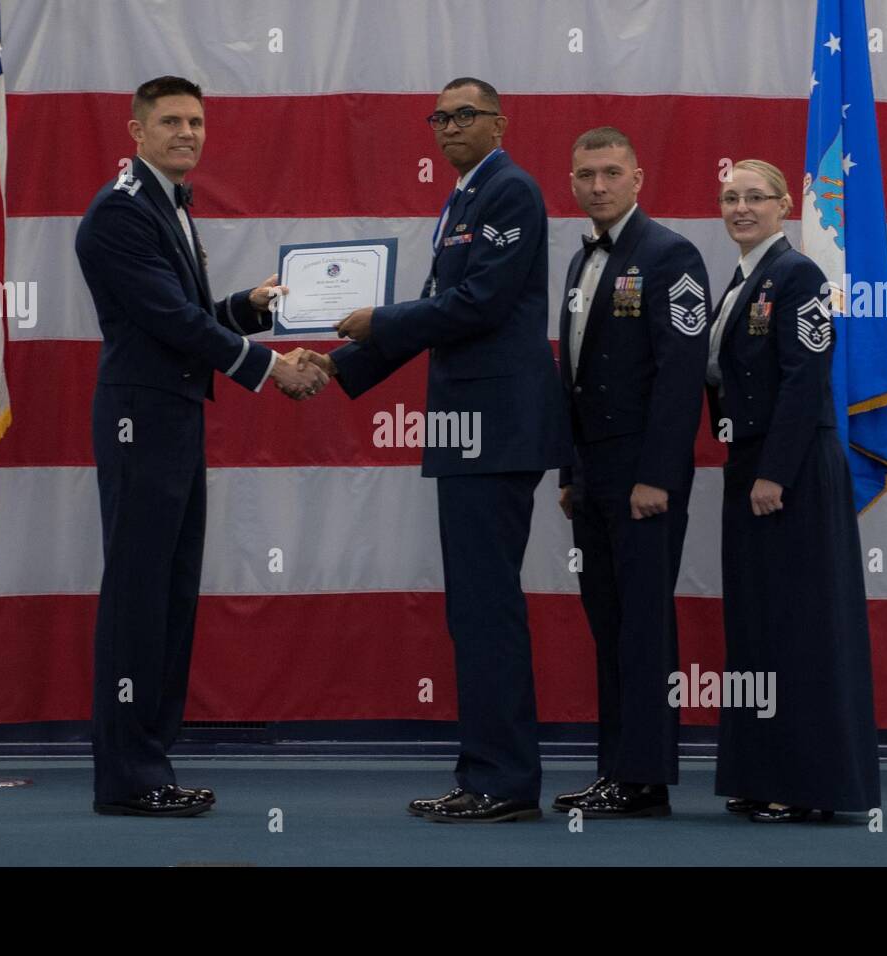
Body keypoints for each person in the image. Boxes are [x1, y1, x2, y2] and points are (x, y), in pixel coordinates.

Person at [303, 77, 572, 822]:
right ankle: (486, 772)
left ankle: (504, 782)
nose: (449, 126)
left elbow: (478, 304)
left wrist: (379, 321)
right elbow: (440, 313)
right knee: (475, 608)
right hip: (469, 430)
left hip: (497, 429)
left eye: (465, 115)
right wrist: (342, 363)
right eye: (439, 117)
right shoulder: (463, 199)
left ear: (499, 122)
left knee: (486, 609)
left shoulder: (510, 191)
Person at [75, 75, 326, 817]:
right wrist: (270, 366)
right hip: (140, 421)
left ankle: (151, 762)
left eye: (197, 122)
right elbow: (168, 323)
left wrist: (246, 310)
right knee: (138, 598)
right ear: (136, 130)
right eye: (172, 121)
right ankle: (129, 778)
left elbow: (186, 317)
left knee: (170, 597)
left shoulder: (168, 205)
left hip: (172, 417)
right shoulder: (121, 213)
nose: (188, 133)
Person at [707, 159, 881, 822]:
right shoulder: (741, 280)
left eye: (755, 197)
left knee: (799, 630)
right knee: (757, 628)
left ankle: (808, 786)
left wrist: (775, 472)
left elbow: (807, 377)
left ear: (785, 205)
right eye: (730, 197)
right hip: (748, 465)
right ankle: (760, 772)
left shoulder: (798, 275)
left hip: (794, 470)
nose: (741, 207)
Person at [551, 128, 710, 817]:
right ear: (571, 180)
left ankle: (644, 778)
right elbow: (573, 375)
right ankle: (616, 769)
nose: (598, 185)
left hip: (644, 472)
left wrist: (659, 475)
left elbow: (682, 375)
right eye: (586, 174)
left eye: (612, 172)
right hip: (591, 472)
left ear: (639, 178)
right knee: (608, 623)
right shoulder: (579, 260)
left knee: (643, 626)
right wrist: (567, 469)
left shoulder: (672, 254)